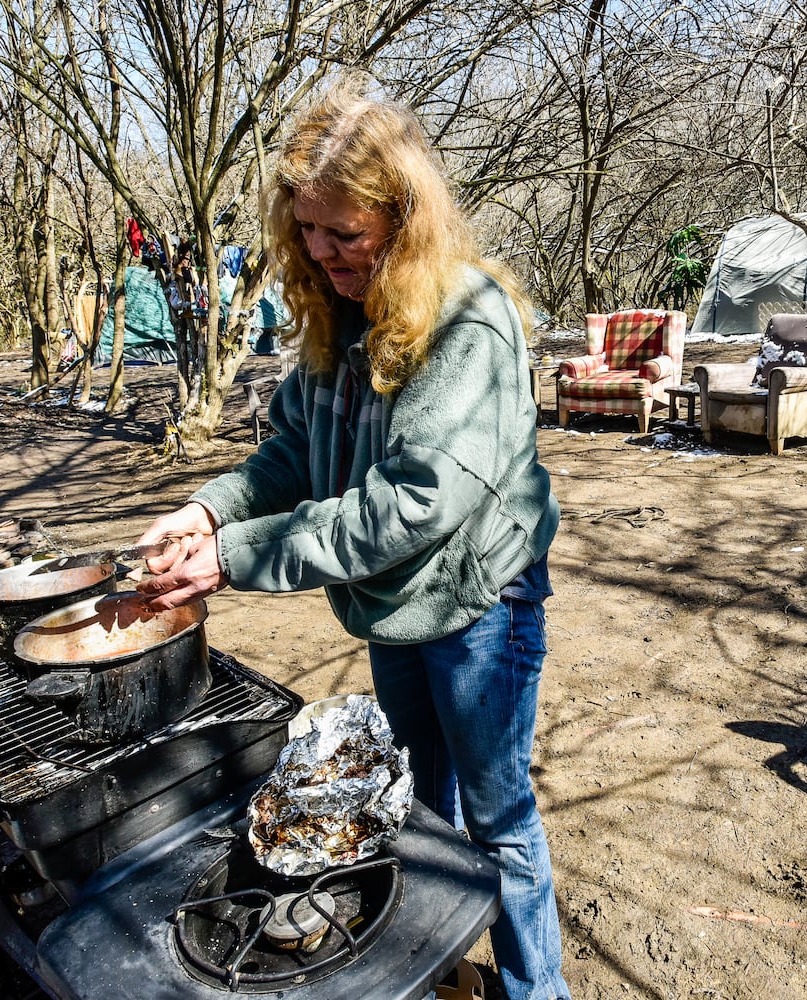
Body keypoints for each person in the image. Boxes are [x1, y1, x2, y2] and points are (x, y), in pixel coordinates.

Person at [133, 83, 570, 1000]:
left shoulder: (467, 324)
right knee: (417, 813)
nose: (320, 253)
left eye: (344, 233)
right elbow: (294, 448)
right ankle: (443, 970)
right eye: (306, 232)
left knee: (497, 821)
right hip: (392, 604)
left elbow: (410, 504)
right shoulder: (339, 311)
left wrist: (240, 558)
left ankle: (537, 991)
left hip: (476, 606)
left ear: (402, 219)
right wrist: (210, 512)